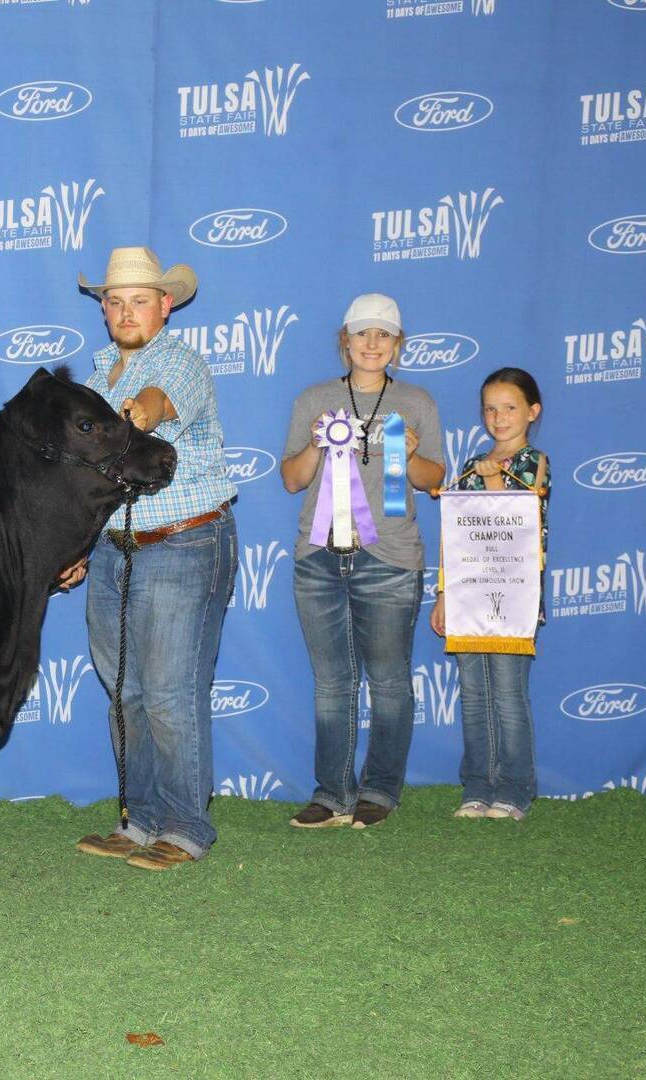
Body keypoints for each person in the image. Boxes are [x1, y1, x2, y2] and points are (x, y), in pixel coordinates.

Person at [65, 246, 238, 871]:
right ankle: (139, 820)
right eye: (115, 301)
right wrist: (73, 546)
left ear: (166, 305)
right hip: (114, 550)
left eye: (140, 300)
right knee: (125, 693)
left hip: (184, 543)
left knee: (168, 693)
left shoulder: (181, 362)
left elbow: (162, 401)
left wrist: (138, 413)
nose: (126, 311)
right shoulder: (94, 376)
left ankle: (187, 828)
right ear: (103, 309)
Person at [281, 293, 444, 829]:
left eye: (384, 335)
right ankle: (331, 794)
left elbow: (432, 481)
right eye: (362, 333)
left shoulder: (417, 401)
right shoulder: (314, 400)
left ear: (398, 344)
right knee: (332, 682)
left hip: (390, 556)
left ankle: (380, 790)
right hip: (320, 555)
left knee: (390, 680)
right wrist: (315, 445)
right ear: (344, 340)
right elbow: (292, 479)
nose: (372, 344)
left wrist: (411, 452)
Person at [430, 368, 549, 821]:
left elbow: (512, 519)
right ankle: (477, 786)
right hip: (469, 594)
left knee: (508, 696)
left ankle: (515, 788)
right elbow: (455, 539)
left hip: (514, 598)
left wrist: (492, 477)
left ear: (532, 412)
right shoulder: (470, 467)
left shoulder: (534, 462)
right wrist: (444, 594)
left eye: (510, 407)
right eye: (491, 409)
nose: (499, 417)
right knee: (474, 696)